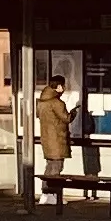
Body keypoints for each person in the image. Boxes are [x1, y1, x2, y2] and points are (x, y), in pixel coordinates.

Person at [31, 75, 72, 205]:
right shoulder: (57, 103)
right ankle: (53, 194)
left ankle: (45, 193)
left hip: (46, 139)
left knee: (49, 167)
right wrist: (74, 114)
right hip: (57, 139)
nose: (64, 88)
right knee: (56, 167)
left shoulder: (42, 102)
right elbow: (66, 118)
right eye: (63, 86)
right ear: (59, 87)